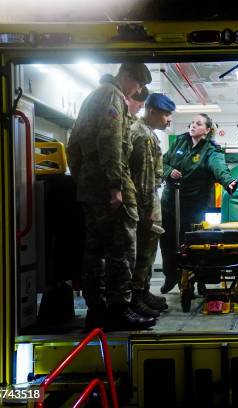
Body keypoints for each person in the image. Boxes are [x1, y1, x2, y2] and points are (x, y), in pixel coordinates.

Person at [67, 62, 156, 330]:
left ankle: (97, 311)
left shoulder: (93, 97)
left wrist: (84, 179)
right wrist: (115, 185)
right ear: (127, 75)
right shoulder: (112, 95)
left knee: (95, 250)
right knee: (121, 248)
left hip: (90, 186)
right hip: (110, 185)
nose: (137, 91)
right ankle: (119, 310)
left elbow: (73, 147)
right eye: (138, 84)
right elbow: (111, 142)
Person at [159, 113, 238, 293]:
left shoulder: (211, 150)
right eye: (192, 122)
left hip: (193, 205)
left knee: (193, 244)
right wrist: (169, 171)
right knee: (168, 241)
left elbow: (219, 167)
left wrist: (228, 181)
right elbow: (162, 162)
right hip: (170, 202)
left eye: (198, 123)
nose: (193, 125)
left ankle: (193, 281)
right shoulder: (179, 142)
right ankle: (171, 276)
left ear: (207, 130)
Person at [129, 93, 175, 317]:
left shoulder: (149, 134)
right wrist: (147, 209)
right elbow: (145, 178)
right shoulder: (142, 135)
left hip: (148, 201)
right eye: (166, 114)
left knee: (148, 250)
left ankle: (144, 292)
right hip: (143, 203)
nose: (168, 119)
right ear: (152, 111)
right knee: (142, 253)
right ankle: (135, 298)